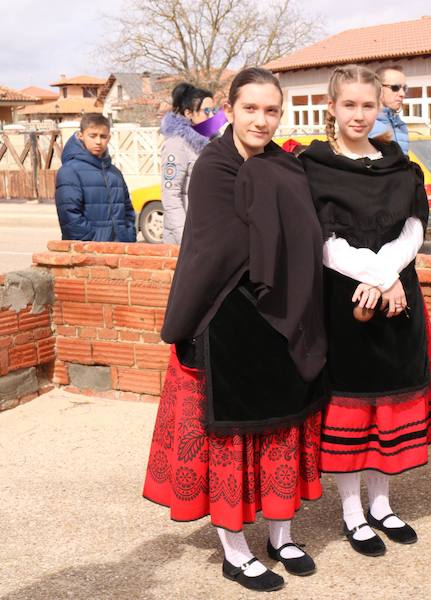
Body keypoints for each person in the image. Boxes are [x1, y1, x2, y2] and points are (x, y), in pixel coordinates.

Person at [143, 67, 327, 593]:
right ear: (232, 107)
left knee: (281, 431)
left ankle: (281, 533)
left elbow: (305, 235)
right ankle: (234, 547)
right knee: (232, 441)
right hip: (227, 319)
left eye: (272, 110)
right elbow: (217, 250)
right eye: (251, 109)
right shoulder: (214, 167)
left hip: (285, 320)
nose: (261, 120)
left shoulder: (286, 167)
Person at [299, 64, 431, 557]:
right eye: (349, 105)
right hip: (344, 300)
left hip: (396, 295)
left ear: (379, 106)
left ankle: (381, 505)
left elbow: (414, 227)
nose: (359, 115)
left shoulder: (400, 165)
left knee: (386, 404)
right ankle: (352, 514)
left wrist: (389, 276)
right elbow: (322, 240)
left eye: (368, 105)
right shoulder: (312, 168)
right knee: (352, 408)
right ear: (332, 108)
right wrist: (375, 276)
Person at [54, 113, 136, 242]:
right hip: (90, 252)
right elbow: (69, 216)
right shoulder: (69, 171)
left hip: (119, 250)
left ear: (109, 138)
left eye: (103, 136)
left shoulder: (114, 173)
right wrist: (91, 241)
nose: (98, 141)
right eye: (92, 136)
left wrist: (128, 236)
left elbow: (128, 210)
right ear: (81, 136)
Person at [159, 82, 215, 244]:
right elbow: (171, 196)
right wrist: (186, 238)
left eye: (213, 111)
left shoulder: (211, 143)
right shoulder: (176, 145)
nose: (211, 116)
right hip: (186, 238)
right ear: (189, 113)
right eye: (206, 111)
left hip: (208, 232)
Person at [369, 64, 409, 154]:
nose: (402, 94)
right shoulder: (366, 125)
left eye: (405, 88)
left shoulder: (399, 125)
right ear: (378, 88)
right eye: (395, 88)